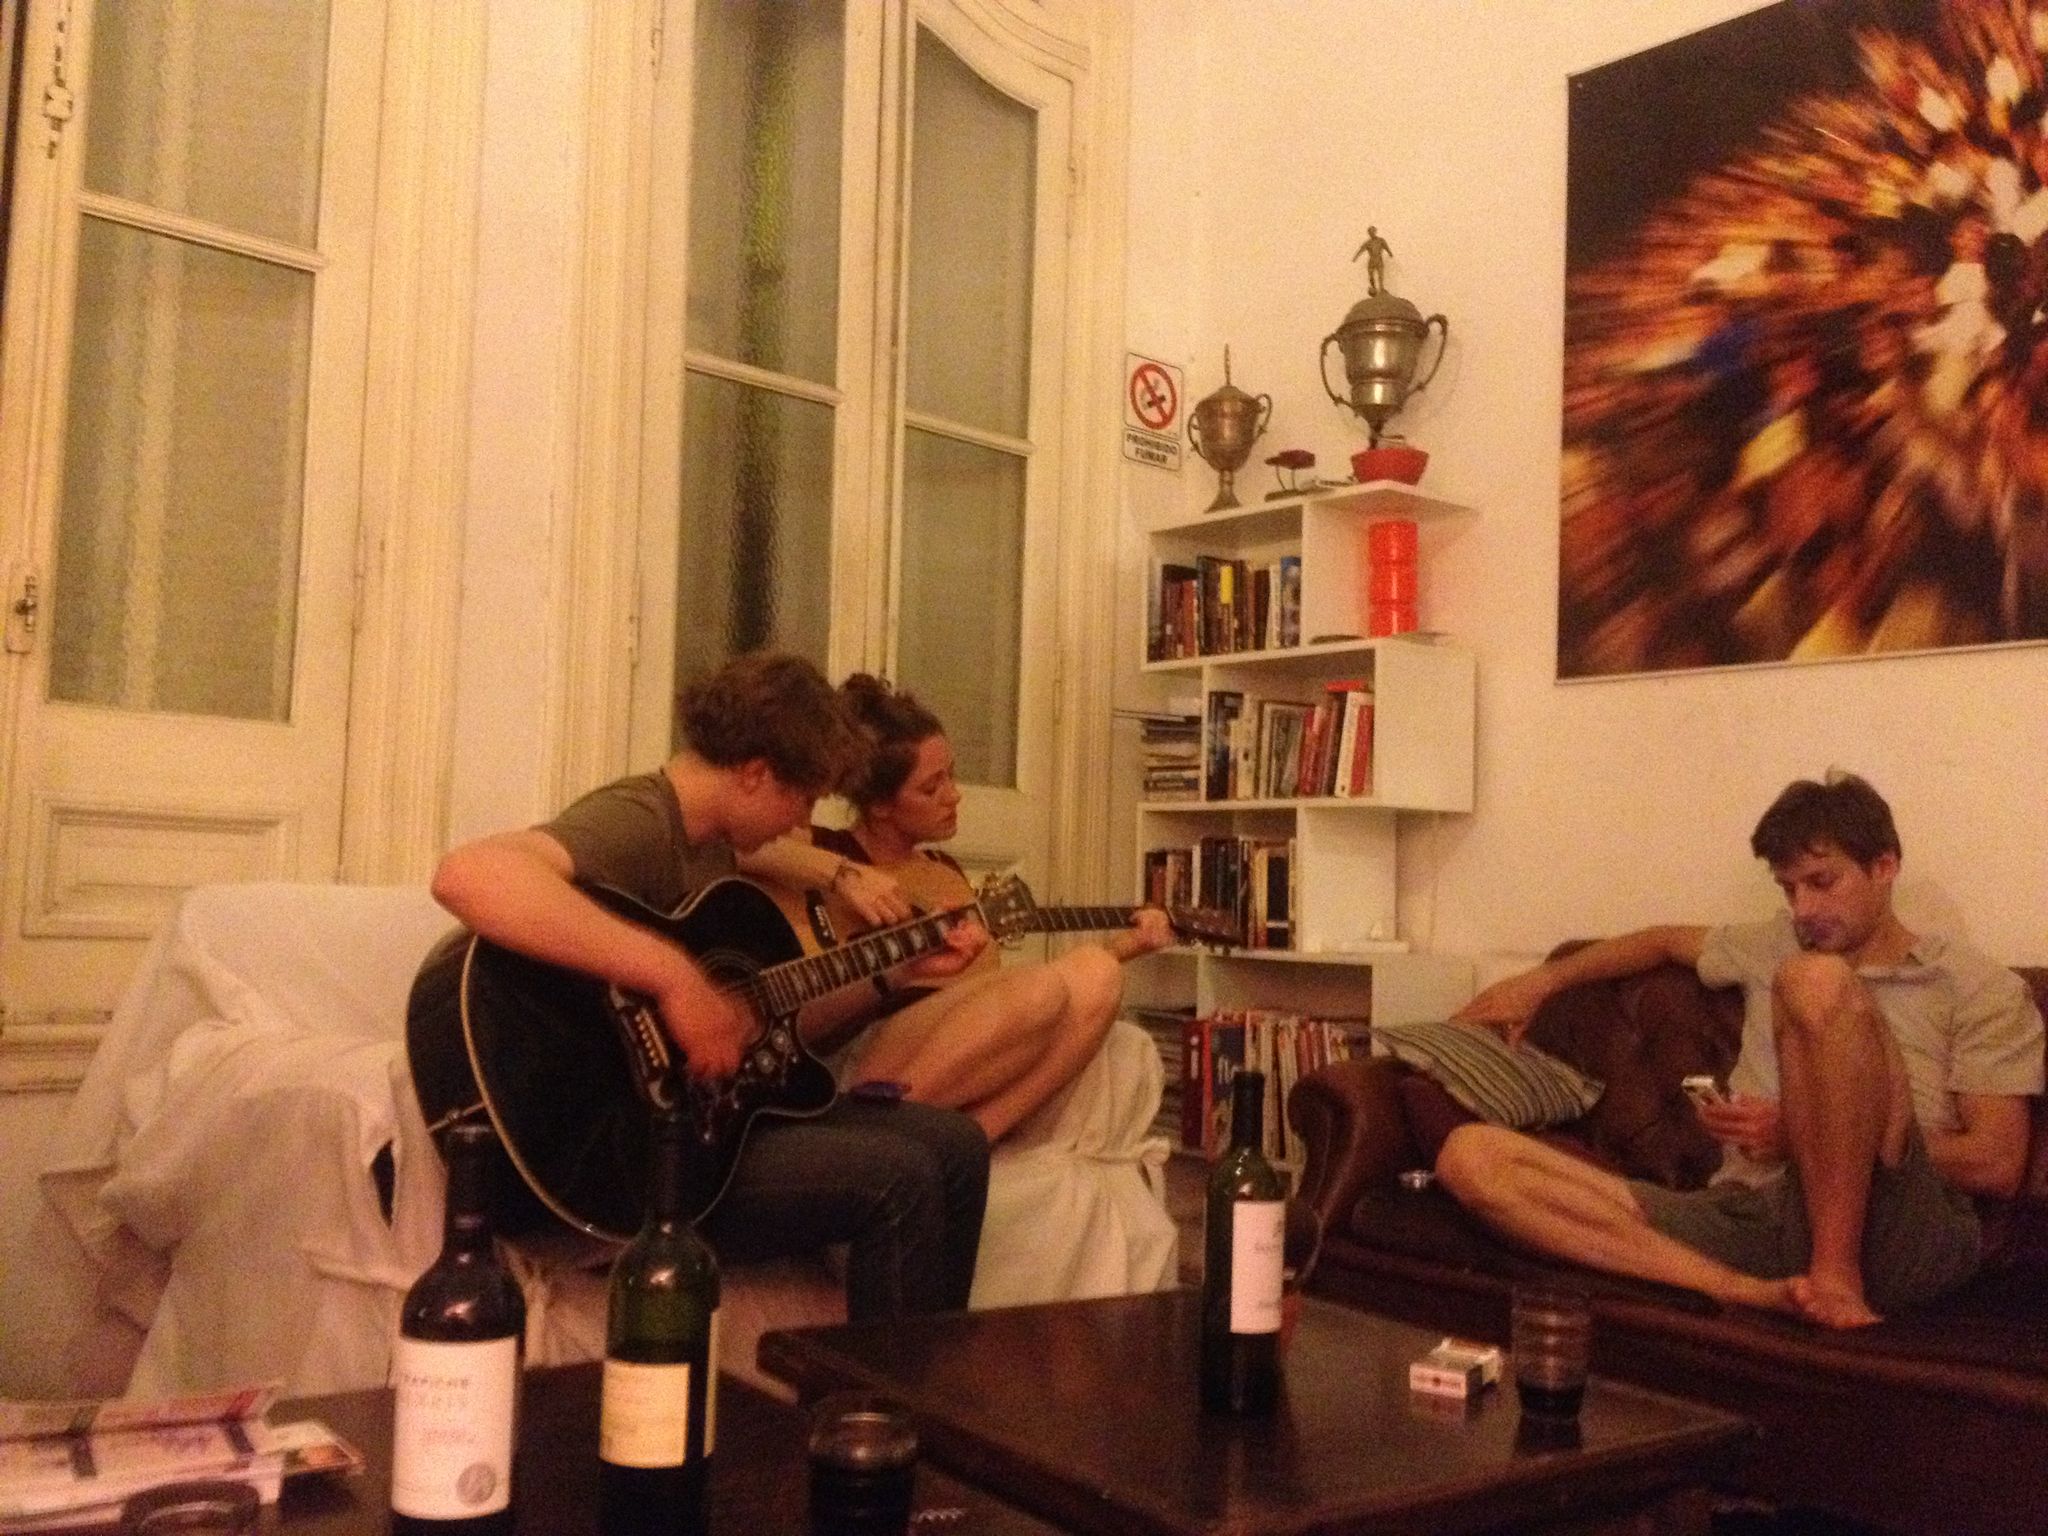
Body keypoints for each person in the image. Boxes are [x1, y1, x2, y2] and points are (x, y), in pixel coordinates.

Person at [415, 651, 993, 1319]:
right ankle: (880, 1389)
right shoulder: (639, 819)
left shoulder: (716, 846)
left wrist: (897, 972)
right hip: (611, 1159)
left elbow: (766, 1017)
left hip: (700, 1130)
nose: (800, 823)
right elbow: (467, 875)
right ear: (755, 774)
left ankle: (932, 1376)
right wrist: (674, 982)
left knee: (956, 1145)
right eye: (802, 799)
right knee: (901, 1179)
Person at [1434, 771, 2042, 1329]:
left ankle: (1834, 1279)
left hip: (1895, 1223)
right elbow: (1660, 942)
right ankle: (1745, 1291)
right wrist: (1540, 982)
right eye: (1789, 889)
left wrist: (1804, 1133)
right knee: (1470, 1157)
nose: (1804, 910)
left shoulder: (1973, 985)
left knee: (1816, 979)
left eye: (1822, 882)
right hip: (1751, 1214)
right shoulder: (1770, 944)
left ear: (1884, 867)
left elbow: (1996, 1164)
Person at [739, 674, 1176, 1142]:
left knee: (1098, 973)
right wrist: (842, 875)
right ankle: (869, 1135)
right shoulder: (820, 847)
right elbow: (737, 847)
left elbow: (988, 1000)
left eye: (951, 774)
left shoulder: (943, 875)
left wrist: (1125, 946)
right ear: (881, 806)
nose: (954, 795)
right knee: (1041, 990)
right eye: (932, 787)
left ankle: (977, 1136)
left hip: (936, 1034)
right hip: (845, 1040)